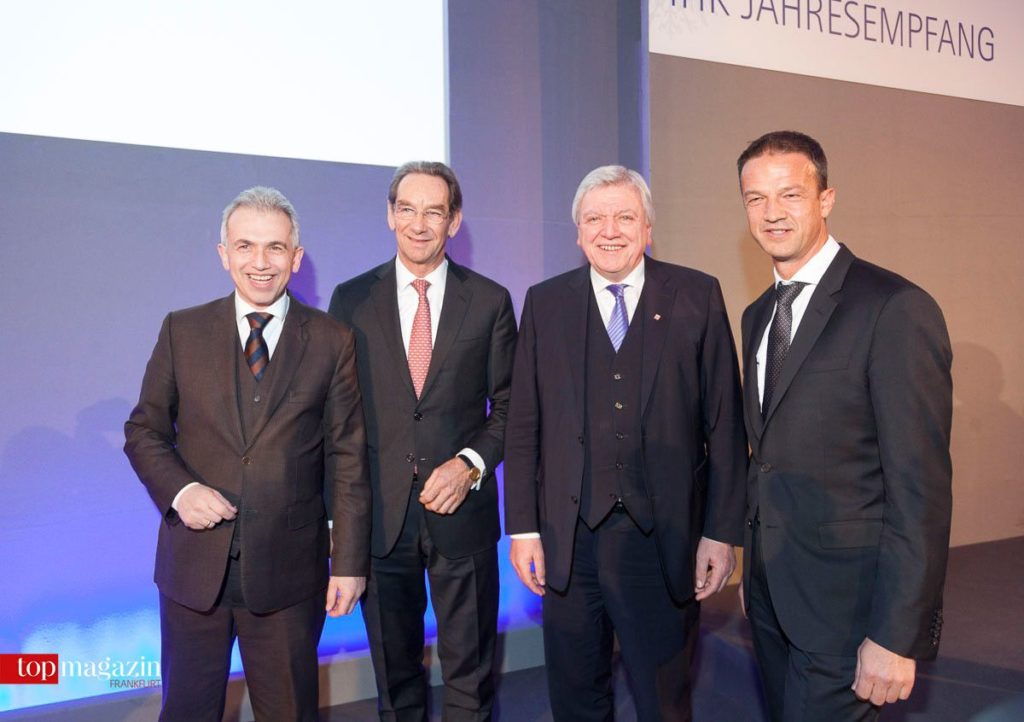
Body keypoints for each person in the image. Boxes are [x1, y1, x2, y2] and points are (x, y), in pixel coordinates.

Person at [504, 165, 748, 721]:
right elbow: (523, 426)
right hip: (569, 543)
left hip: (663, 541)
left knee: (663, 698)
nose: (608, 230)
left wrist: (720, 532)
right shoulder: (545, 303)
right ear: (577, 231)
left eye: (624, 216)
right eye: (594, 218)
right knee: (575, 696)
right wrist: (522, 528)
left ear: (648, 228)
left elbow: (725, 424)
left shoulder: (697, 294)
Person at [124, 187, 370, 721]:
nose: (261, 263)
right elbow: (144, 431)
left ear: (296, 258)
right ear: (223, 254)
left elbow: (348, 457)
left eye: (276, 248)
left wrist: (348, 562)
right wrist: (182, 491)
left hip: (289, 575)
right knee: (188, 711)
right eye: (246, 246)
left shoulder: (333, 340)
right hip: (193, 570)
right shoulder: (181, 331)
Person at [736, 130, 953, 721]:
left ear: (826, 199)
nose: (772, 213)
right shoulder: (758, 316)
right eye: (755, 199)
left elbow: (920, 489)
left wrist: (896, 635)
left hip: (851, 613)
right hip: (772, 600)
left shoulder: (894, 309)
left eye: (790, 195)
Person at [328, 161, 517, 722]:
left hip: (464, 515)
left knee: (470, 676)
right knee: (395, 679)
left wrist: (470, 463)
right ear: (390, 216)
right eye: (406, 209)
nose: (419, 223)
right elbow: (339, 418)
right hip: (380, 522)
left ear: (453, 221)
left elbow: (510, 406)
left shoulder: (489, 300)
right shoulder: (350, 299)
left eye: (433, 211)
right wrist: (338, 524)